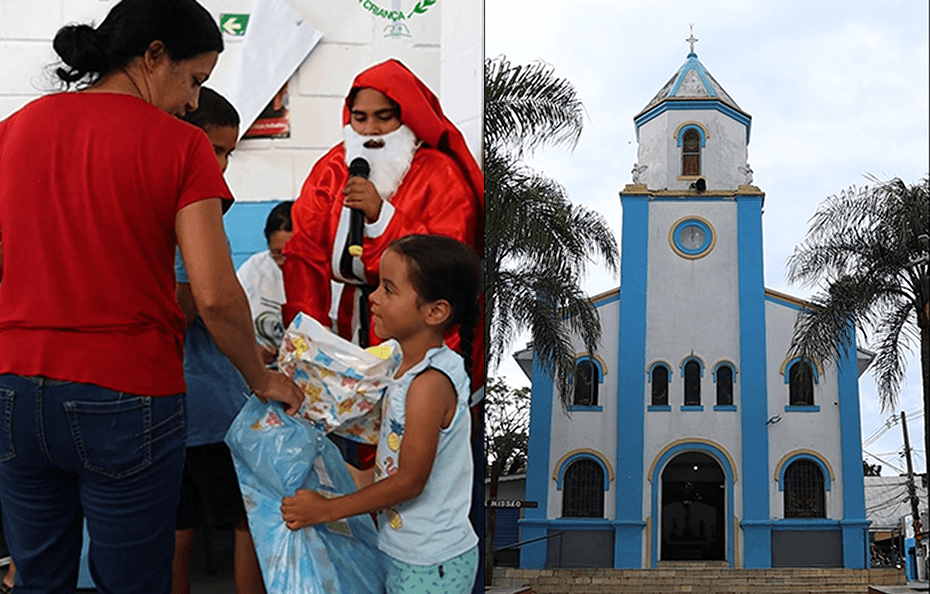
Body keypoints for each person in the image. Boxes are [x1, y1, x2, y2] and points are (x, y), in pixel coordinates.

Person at [0, 1, 302, 592]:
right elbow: (214, 294)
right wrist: (261, 377)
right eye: (194, 81)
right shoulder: (180, 146)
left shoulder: (14, 130)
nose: (193, 102)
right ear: (154, 54)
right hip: (126, 391)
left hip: (14, 389)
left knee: (37, 578)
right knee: (132, 581)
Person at [281, 234, 481, 593]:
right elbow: (394, 467)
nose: (372, 298)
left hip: (430, 564)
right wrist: (351, 477)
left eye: (388, 290)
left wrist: (327, 510)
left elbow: (409, 482)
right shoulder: (401, 367)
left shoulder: (429, 384)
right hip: (406, 553)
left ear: (435, 311)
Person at [281, 59, 484, 393]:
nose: (370, 131)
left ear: (407, 117)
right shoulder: (331, 170)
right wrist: (309, 342)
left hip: (421, 332)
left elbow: (450, 261)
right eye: (359, 118)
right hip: (344, 328)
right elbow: (303, 255)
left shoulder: (440, 173)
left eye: (383, 117)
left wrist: (381, 217)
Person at [171, 87, 265, 594]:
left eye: (229, 151)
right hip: (209, 409)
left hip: (162, 403)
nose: (222, 164)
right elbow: (201, 303)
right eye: (215, 149)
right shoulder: (197, 213)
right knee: (250, 518)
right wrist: (259, 371)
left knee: (176, 525)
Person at [237, 201, 293, 365]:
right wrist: (251, 349)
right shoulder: (253, 270)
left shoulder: (322, 270)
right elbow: (228, 321)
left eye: (291, 252)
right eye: (277, 253)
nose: (283, 261)